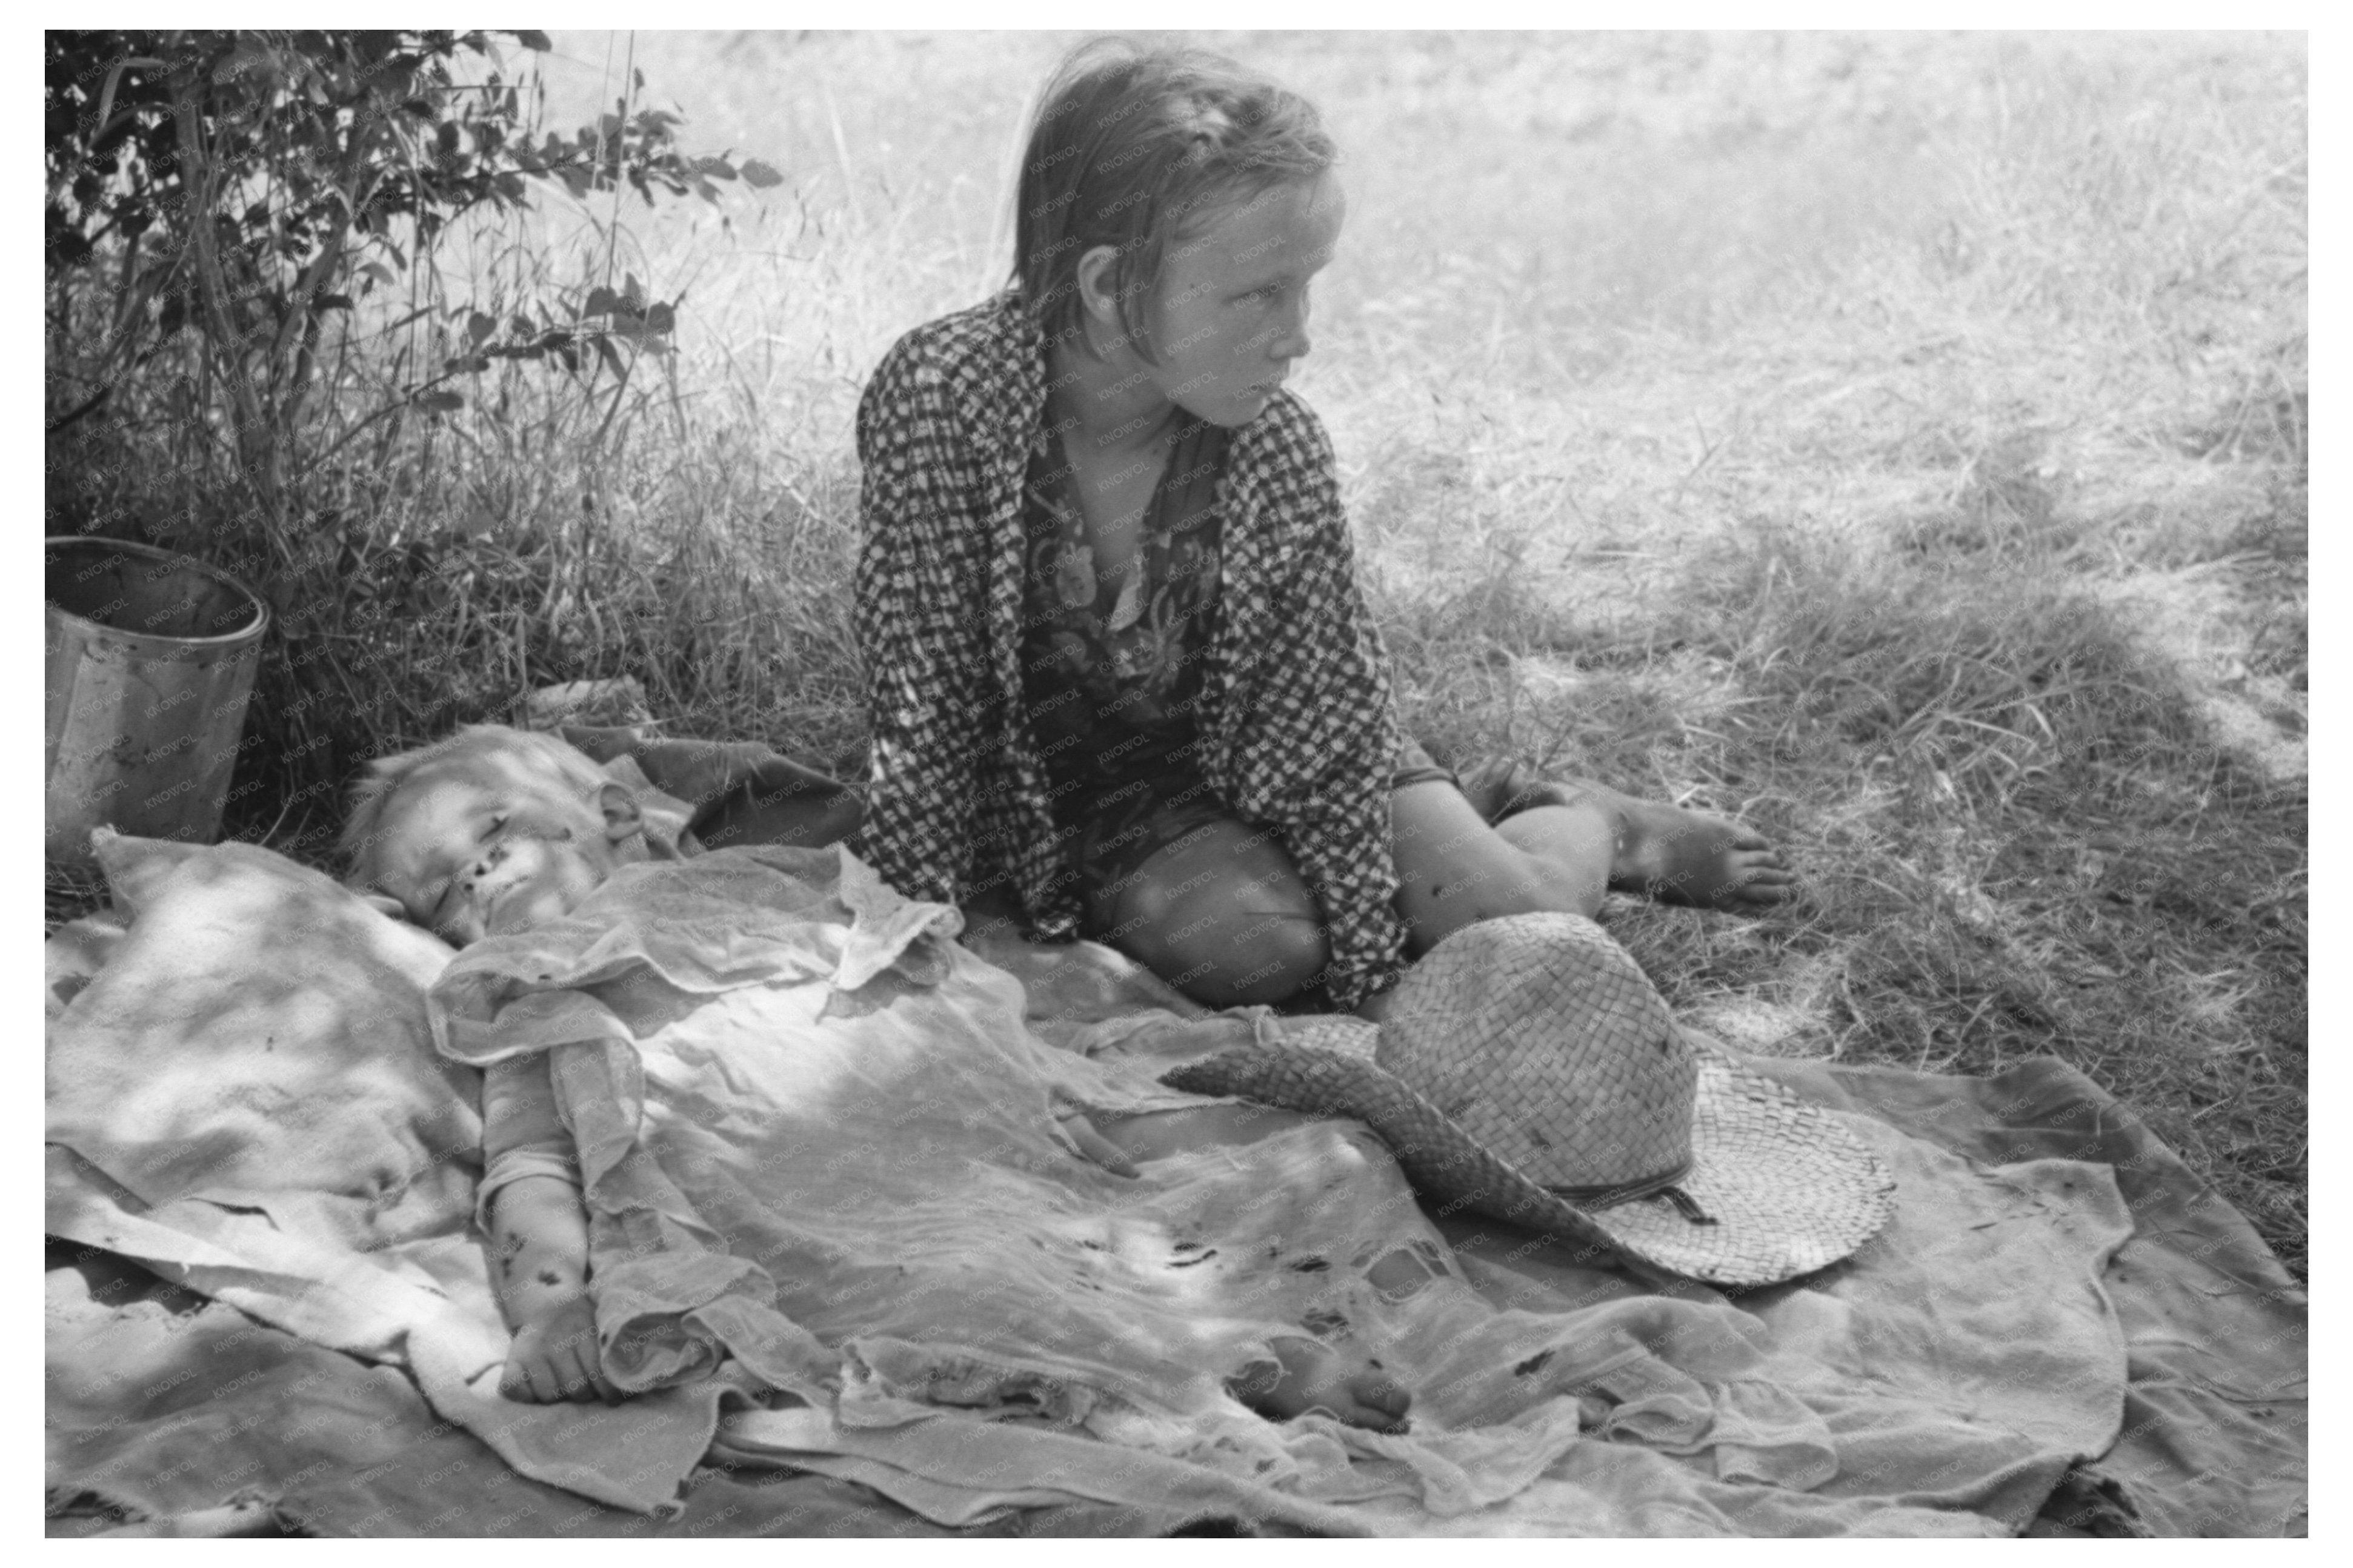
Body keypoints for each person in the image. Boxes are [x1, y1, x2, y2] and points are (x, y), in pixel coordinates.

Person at [851, 40, 1794, 1022]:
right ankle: (1470, 812)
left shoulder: (1274, 447)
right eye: (1258, 294)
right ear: (1103, 285)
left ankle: (1588, 820)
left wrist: (1374, 969)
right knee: (1263, 953)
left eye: (1307, 286)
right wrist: (912, 929)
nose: (1298, 334)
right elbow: (925, 696)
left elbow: (1333, 731)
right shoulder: (944, 396)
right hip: (1103, 809)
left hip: (1291, 751)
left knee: (1521, 936)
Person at [341, 724, 1417, 1432]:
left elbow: (919, 966)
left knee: (1273, 1162)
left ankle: (1262, 1305)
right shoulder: (524, 995)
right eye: (445, 893)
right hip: (785, 1180)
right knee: (954, 1283)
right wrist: (548, 1308)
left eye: (492, 832)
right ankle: (1239, 1372)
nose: (478, 876)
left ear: (617, 822)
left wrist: (1037, 1076)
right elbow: (530, 1165)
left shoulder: (742, 879)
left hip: (943, 1106)